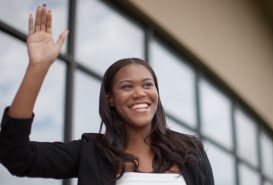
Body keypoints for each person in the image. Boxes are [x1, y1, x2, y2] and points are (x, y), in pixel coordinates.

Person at [0, 5, 214, 185]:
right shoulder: (92, 152)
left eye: (147, 85)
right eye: (127, 87)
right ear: (110, 99)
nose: (140, 93)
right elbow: (17, 157)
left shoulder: (190, 151)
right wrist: (37, 67)